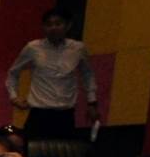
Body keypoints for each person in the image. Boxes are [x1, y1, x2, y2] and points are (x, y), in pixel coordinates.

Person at [8, 7, 99, 139]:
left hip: (65, 114)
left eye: (58, 23)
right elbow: (13, 72)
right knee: (31, 150)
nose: (53, 28)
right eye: (48, 24)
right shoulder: (33, 48)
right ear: (43, 27)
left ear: (68, 25)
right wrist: (14, 98)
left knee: (64, 151)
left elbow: (88, 75)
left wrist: (92, 102)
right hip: (39, 114)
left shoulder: (78, 48)